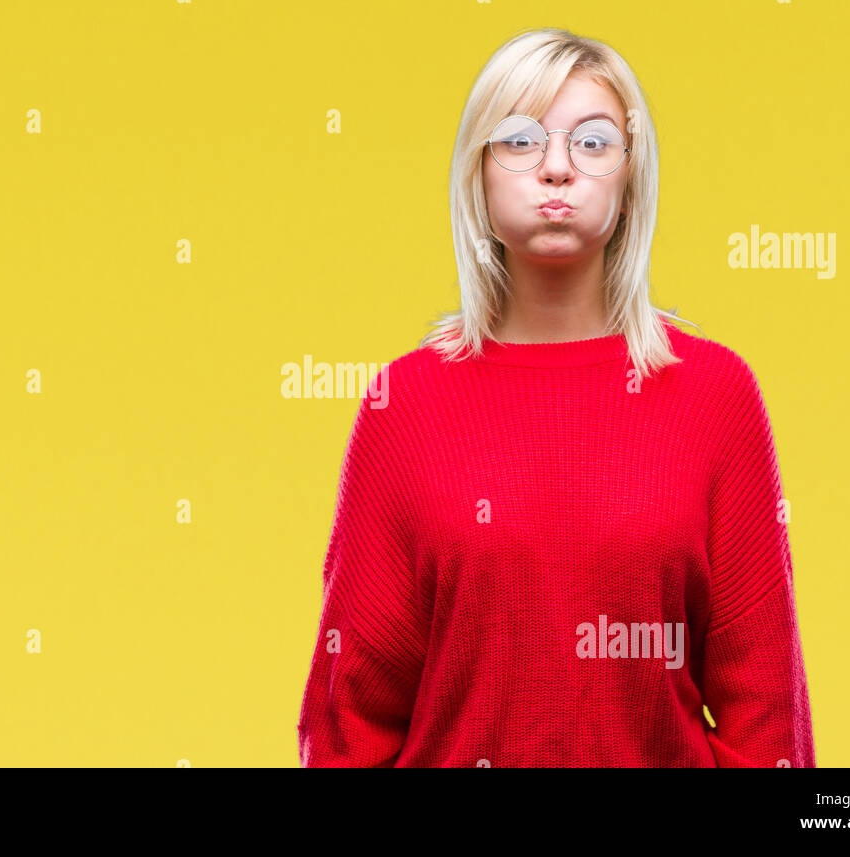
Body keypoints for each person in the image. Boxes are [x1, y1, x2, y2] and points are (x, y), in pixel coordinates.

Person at [295, 27, 816, 767]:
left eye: (594, 142)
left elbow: (764, 714)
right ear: (477, 174)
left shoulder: (716, 397)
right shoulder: (401, 405)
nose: (557, 169)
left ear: (631, 179)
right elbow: (350, 717)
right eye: (520, 141)